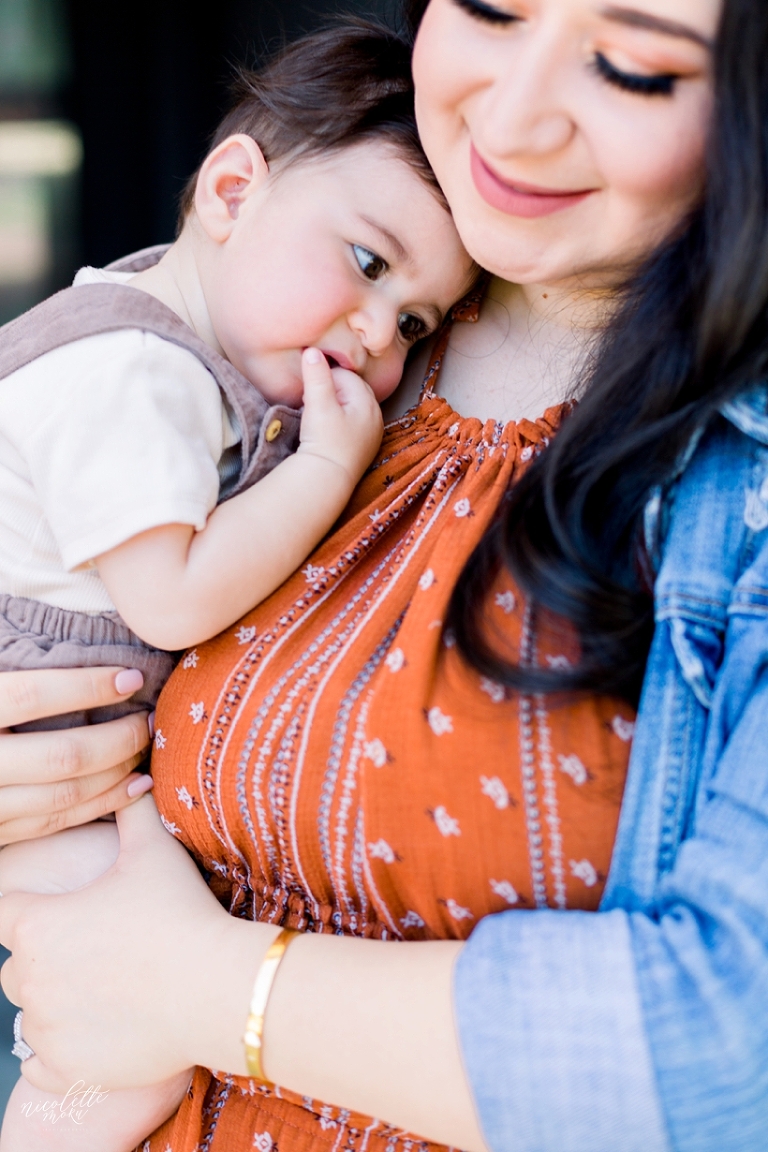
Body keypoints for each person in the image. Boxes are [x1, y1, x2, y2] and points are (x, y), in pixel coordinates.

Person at [0, 1, 766, 1151]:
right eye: (493, 9)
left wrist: (206, 989)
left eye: (630, 67)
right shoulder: (279, 348)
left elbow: (730, 1058)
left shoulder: (729, 477)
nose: (509, 117)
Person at [0, 23, 473, 1152]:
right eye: (366, 263)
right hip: (49, 738)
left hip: (73, 735)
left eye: (414, 322)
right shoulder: (137, 371)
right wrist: (321, 469)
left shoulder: (153, 335)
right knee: (117, 1044)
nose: (375, 336)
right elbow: (171, 599)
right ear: (229, 190)